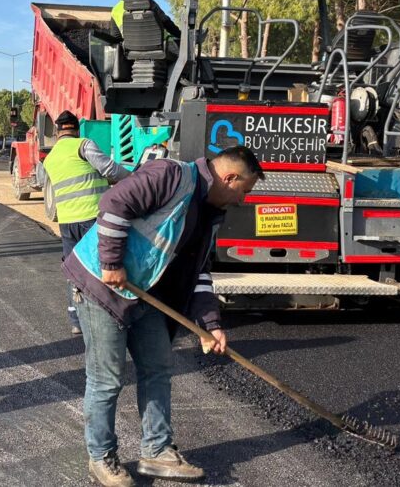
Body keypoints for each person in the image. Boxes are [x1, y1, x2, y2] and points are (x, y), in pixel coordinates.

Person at [62, 146, 262, 487]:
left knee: (157, 368)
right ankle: (101, 458)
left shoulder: (210, 214)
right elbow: (114, 204)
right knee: (107, 379)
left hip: (145, 293)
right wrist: (111, 262)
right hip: (101, 284)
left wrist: (209, 325)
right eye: (244, 191)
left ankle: (156, 451)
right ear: (229, 178)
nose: (242, 201)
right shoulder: (170, 175)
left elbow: (199, 272)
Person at [40, 110, 130, 335]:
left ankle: (76, 320)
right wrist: (133, 178)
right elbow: (108, 169)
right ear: (76, 129)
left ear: (59, 131)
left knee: (75, 269)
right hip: (91, 217)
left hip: (67, 221)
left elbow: (42, 180)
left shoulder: (49, 158)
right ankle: (109, 317)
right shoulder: (83, 145)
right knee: (104, 266)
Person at [109, 0, 181, 43]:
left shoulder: (115, 10)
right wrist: (180, 35)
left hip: (130, 50)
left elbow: (116, 37)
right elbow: (166, 22)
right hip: (156, 46)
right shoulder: (148, 1)